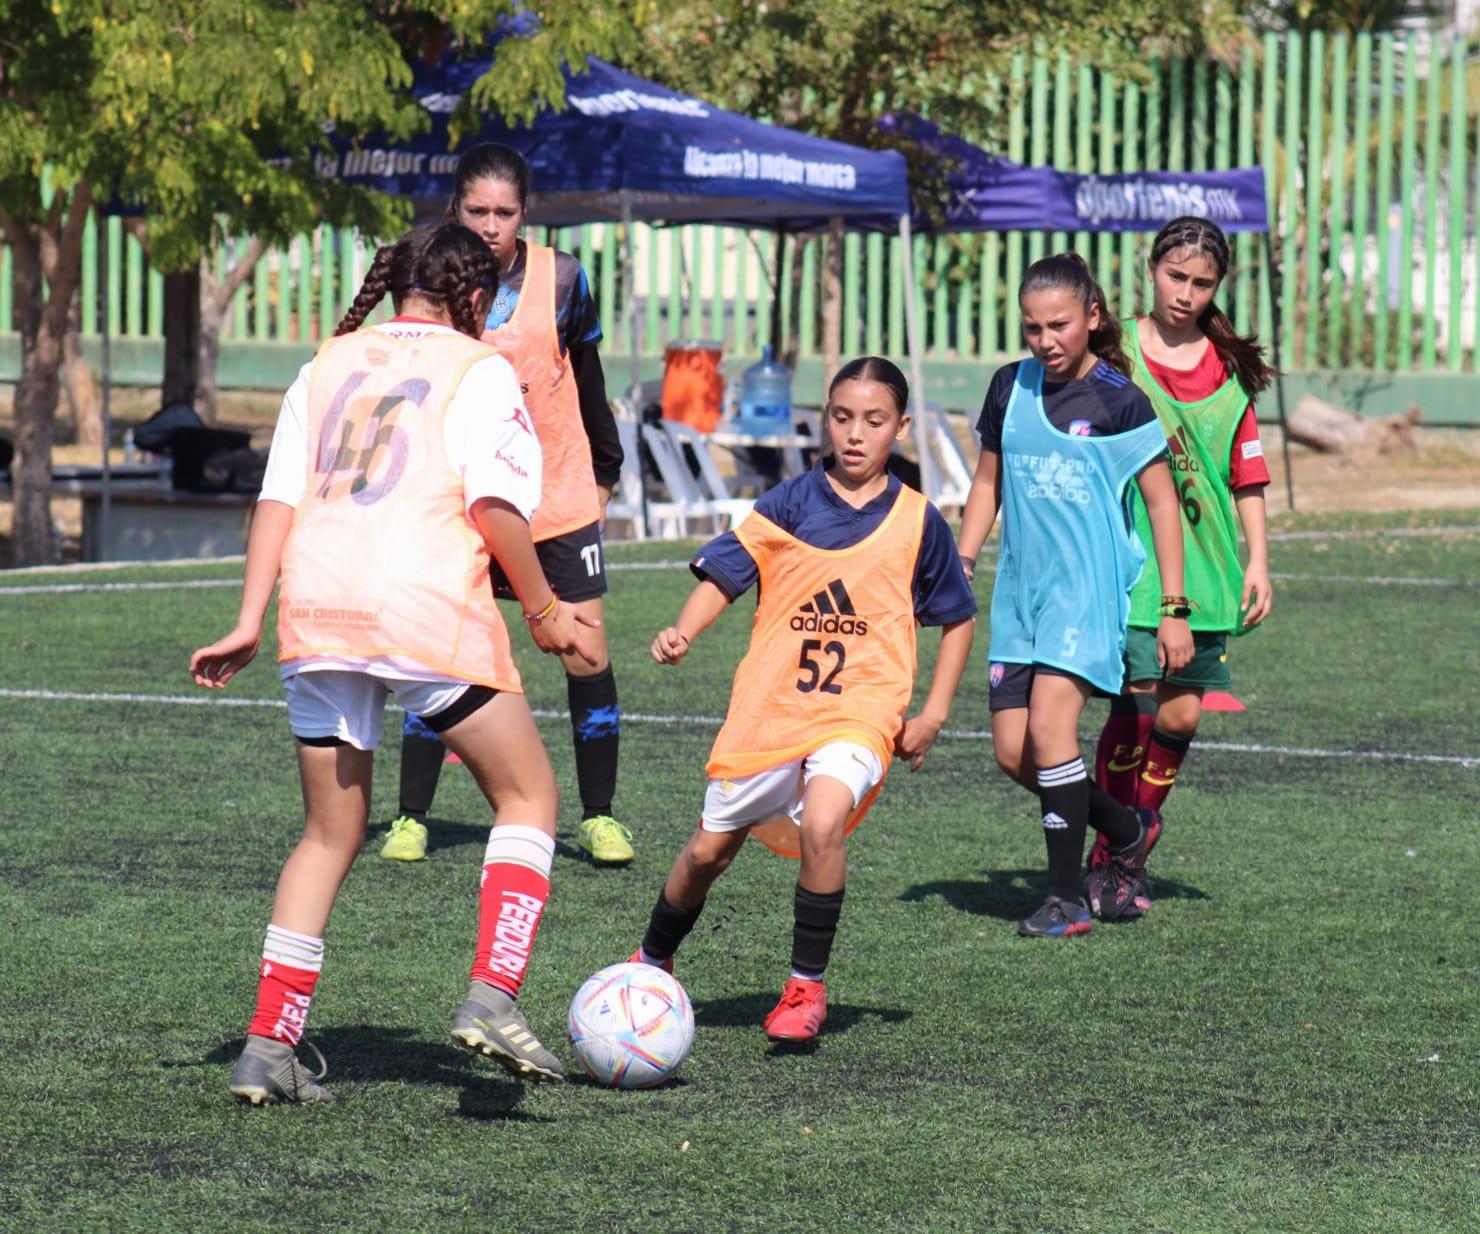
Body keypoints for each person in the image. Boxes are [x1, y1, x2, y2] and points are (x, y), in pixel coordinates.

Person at [190, 222, 598, 1103]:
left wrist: (248, 620)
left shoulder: (326, 362)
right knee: (529, 797)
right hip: (421, 604)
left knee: (328, 835)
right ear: (475, 299)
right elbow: (494, 505)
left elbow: (277, 499)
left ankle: (267, 1048)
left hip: (316, 606)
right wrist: (546, 611)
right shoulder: (480, 368)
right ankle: (493, 994)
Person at [629, 357, 976, 1044]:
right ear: (824, 419)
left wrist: (932, 713)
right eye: (842, 418)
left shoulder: (917, 521)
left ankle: (805, 988)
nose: (855, 434)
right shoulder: (790, 502)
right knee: (707, 854)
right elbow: (729, 570)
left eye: (874, 422)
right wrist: (683, 630)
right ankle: (650, 960)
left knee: (824, 823)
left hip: (861, 710)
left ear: (899, 427)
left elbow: (957, 617)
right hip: (773, 709)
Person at [385, 143, 632, 867]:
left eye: (505, 212)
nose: (491, 225)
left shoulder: (562, 278)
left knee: (586, 649)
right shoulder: (431, 276)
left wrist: (605, 470)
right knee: (438, 652)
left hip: (555, 497)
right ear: (453, 208)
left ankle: (599, 818)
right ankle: (411, 818)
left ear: (526, 213)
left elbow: (585, 378)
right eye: (476, 210)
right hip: (458, 501)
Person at [956, 253, 1193, 938]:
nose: (1046, 339)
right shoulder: (1009, 387)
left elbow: (1163, 506)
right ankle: (1126, 828)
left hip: (1084, 600)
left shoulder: (1121, 402)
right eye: (1032, 327)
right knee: (1014, 754)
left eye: (1059, 324)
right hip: (1019, 599)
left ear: (1092, 317)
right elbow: (985, 484)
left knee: (1051, 732)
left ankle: (1063, 899)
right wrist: (963, 557)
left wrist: (1174, 610)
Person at [1089, 217, 1275, 874]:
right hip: (1134, 566)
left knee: (1184, 715)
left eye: (1201, 283)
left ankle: (1138, 828)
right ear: (1151, 269)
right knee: (1137, 706)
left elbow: (1246, 473)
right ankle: (1117, 850)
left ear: (1217, 286)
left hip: (1208, 571)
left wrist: (1258, 559)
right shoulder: (1112, 353)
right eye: (1176, 277)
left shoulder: (1229, 369)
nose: (1186, 293)